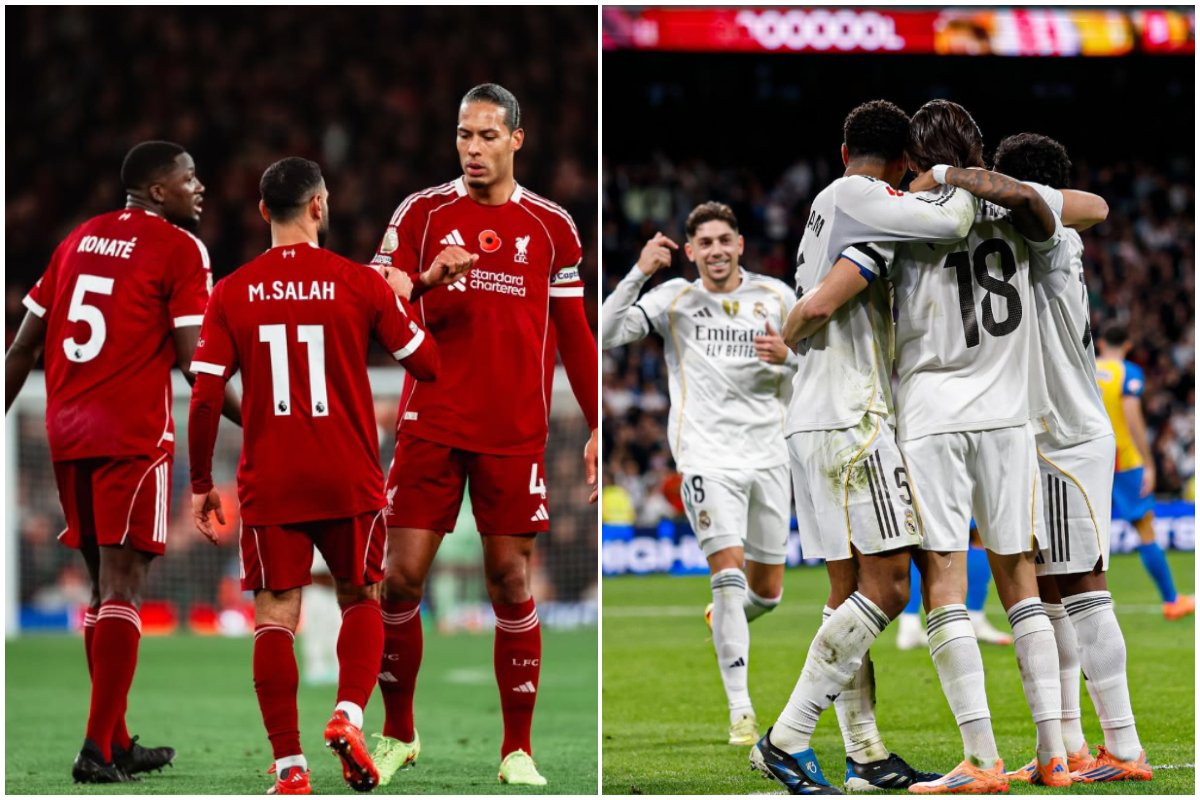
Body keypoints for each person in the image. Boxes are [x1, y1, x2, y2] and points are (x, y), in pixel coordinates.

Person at [366, 83, 598, 787]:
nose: (472, 148)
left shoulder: (552, 226)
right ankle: (400, 733)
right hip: (430, 420)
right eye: (464, 135)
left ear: (516, 139)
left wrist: (596, 422)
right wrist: (429, 279)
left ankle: (516, 749)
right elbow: (378, 303)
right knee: (399, 580)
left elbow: (575, 335)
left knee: (509, 581)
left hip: (513, 432)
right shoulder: (422, 212)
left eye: (487, 135)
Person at [188, 157, 439, 795]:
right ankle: (349, 714)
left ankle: (290, 769)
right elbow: (427, 364)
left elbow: (204, 397)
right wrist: (414, 289)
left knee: (275, 615)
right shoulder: (360, 282)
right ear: (320, 207)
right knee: (362, 597)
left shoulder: (231, 292)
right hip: (347, 474)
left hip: (271, 480)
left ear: (264, 211)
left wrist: (198, 483)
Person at [750, 99, 971, 794]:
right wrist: (955, 178)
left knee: (846, 591)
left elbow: (819, 302)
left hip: (814, 418)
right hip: (853, 419)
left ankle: (866, 755)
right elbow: (951, 220)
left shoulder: (833, 209)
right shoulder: (865, 201)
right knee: (888, 588)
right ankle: (786, 737)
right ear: (900, 164)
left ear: (844, 149)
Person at [4, 140, 237, 784]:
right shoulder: (181, 249)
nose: (201, 186)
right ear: (157, 190)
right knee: (125, 590)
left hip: (66, 432)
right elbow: (198, 364)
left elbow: (21, 350)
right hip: (131, 437)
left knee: (104, 593)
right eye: (190, 176)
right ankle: (94, 750)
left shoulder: (77, 239)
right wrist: (264, 419)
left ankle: (117, 737)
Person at [893, 100, 1066, 793]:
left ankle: (983, 759)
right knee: (1019, 577)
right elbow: (1052, 213)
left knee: (943, 580)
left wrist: (924, 182)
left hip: (934, 412)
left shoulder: (901, 209)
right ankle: (1054, 752)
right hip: (1009, 415)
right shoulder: (1014, 209)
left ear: (913, 158)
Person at [602, 202, 796, 748]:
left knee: (768, 593)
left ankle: (724, 616)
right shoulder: (674, 300)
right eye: (704, 243)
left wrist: (789, 357)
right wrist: (640, 271)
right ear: (689, 252)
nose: (715, 250)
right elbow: (606, 331)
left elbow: (820, 362)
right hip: (706, 457)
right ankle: (742, 713)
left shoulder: (778, 298)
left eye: (723, 240)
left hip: (770, 456)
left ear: (739, 245)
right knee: (728, 576)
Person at [991, 132, 1153, 783]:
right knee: (1054, 589)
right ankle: (1067, 744)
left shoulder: (1050, 235)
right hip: (1044, 435)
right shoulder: (1026, 245)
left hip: (1067, 438)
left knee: (1085, 584)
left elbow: (1094, 206)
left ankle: (1124, 745)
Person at [1096, 325, 1194, 621]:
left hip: (1089, 458)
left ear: (1100, 343)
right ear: (1127, 344)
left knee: (1089, 533)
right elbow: (1131, 416)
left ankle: (1092, 601)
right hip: (1123, 458)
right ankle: (1171, 600)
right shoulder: (1128, 372)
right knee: (1145, 528)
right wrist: (1148, 462)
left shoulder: (1086, 367)